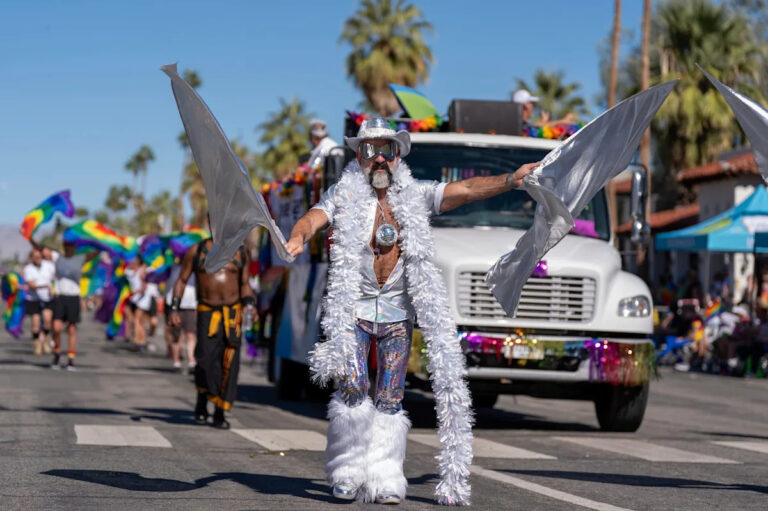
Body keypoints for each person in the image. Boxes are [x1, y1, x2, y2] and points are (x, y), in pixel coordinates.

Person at [285, 117, 537, 505]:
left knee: (390, 397)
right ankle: (348, 473)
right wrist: (299, 236)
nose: (380, 159)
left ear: (398, 154)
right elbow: (313, 217)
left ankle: (386, 477)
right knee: (352, 389)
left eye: (388, 150)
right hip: (352, 311)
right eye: (371, 151)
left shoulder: (416, 195)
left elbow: (466, 189)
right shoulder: (344, 194)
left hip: (397, 316)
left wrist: (511, 180)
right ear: (359, 156)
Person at [170, 238, 255, 429]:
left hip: (232, 313)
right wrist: (173, 309)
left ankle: (219, 411)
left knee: (228, 362)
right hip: (207, 312)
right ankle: (202, 399)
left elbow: (245, 284)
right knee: (205, 361)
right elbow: (182, 279)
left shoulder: (240, 252)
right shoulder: (197, 250)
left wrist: (250, 304)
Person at [28, 238, 100, 369]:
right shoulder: (58, 258)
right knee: (56, 328)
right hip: (60, 297)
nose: (68, 248)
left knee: (71, 329)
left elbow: (95, 253)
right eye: (66, 246)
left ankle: (71, 359)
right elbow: (41, 250)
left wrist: (104, 243)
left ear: (74, 247)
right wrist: (29, 238)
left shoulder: (80, 259)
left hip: (73, 297)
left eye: (70, 246)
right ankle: (57, 354)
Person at [22, 248, 56, 355]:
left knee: (47, 322)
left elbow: (54, 278)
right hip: (34, 299)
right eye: (36, 257)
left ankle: (44, 339)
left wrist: (54, 286)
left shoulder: (49, 265)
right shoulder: (28, 269)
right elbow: (31, 285)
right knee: (36, 324)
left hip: (47, 298)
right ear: (32, 258)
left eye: (40, 256)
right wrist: (43, 286)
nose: (39, 259)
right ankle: (37, 343)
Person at [165, 263, 197, 371]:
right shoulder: (173, 268)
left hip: (191, 307)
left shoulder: (196, 267)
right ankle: (176, 362)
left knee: (191, 335)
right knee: (176, 336)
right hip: (176, 308)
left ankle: (191, 361)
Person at [513, 88, 577, 129]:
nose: (533, 106)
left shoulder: (517, 124)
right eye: (531, 103)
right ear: (526, 105)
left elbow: (534, 127)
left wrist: (543, 122)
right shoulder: (516, 126)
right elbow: (533, 127)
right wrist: (563, 121)